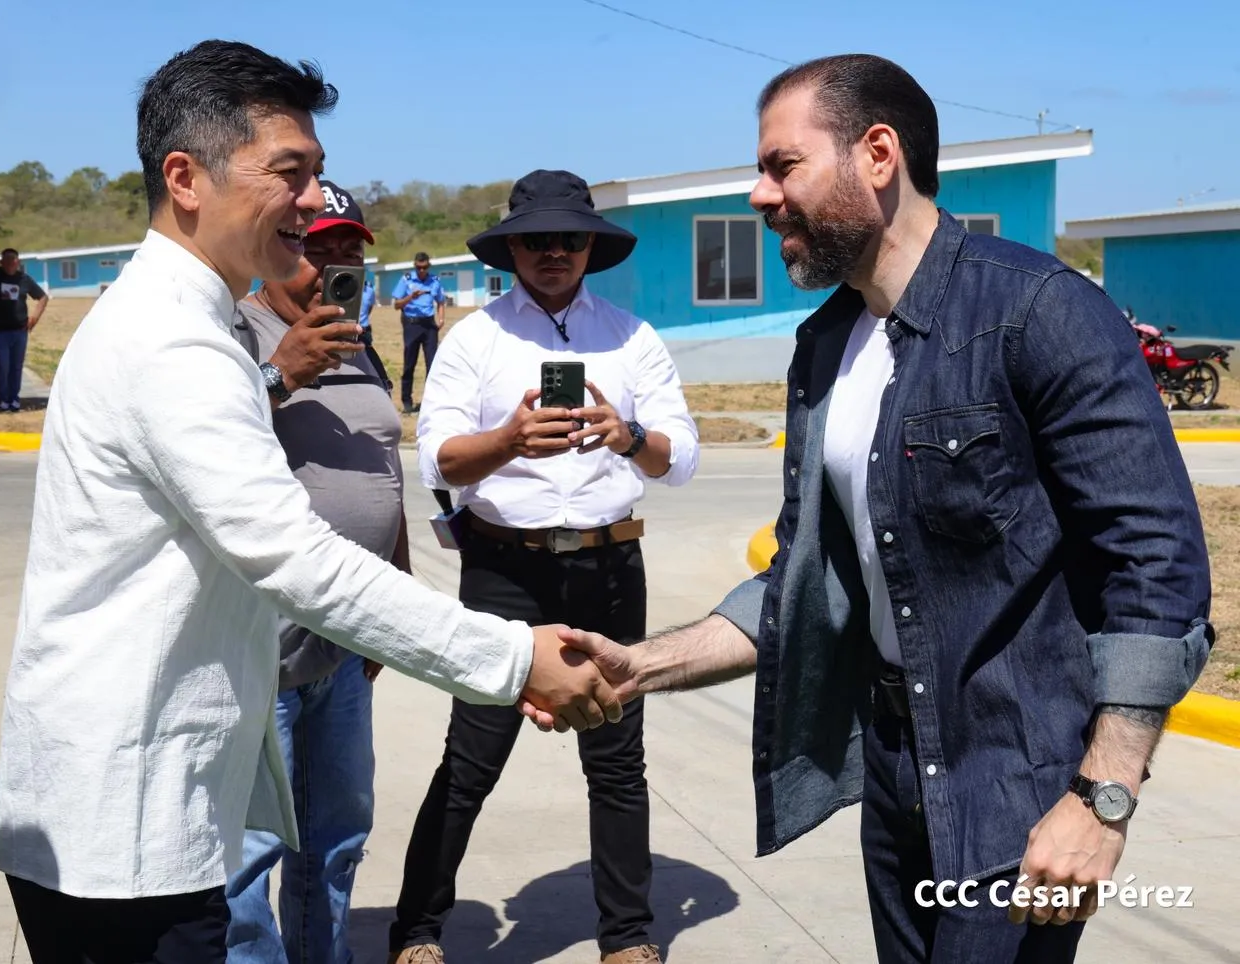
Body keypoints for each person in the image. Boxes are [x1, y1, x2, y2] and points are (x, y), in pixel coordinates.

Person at [528, 55, 1213, 964]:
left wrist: (1102, 799)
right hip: (895, 770)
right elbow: (807, 577)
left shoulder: (1042, 312)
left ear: (878, 154)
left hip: (1022, 784)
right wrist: (639, 667)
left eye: (783, 166)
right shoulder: (826, 347)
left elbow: (1158, 569)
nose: (759, 195)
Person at [0, 40, 620, 964]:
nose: (313, 200)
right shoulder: (174, 343)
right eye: (289, 173)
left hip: (140, 806)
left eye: (317, 174)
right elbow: (293, 555)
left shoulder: (183, 320)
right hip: (126, 831)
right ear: (186, 178)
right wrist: (512, 656)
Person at [389, 169, 700, 964]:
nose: (554, 251)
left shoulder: (632, 337)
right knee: (471, 758)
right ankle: (416, 931)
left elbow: (682, 458)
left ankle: (627, 937)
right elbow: (437, 458)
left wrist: (627, 435)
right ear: (512, 248)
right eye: (536, 239)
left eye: (569, 238)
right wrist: (509, 441)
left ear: (591, 245)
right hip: (506, 570)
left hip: (608, 565)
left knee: (617, 759)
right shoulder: (477, 339)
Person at [225, 179, 401, 963]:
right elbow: (204, 445)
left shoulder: (358, 342)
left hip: (345, 641)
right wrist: (279, 372)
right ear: (275, 248)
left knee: (337, 837)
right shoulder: (236, 333)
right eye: (314, 249)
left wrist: (391, 602)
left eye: (348, 252)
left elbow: (381, 470)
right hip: (263, 648)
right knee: (250, 852)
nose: (333, 267)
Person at [0, 247, 48, 412]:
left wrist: (34, 318)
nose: (10, 262)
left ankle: (14, 398)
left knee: (16, 366)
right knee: (2, 365)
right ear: (1, 262)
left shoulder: (24, 279)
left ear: (18, 262)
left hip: (19, 331)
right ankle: (2, 399)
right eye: (6, 259)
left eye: (13, 259)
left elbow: (42, 297)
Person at [392, 251, 445, 413]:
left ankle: (431, 402)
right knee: (409, 363)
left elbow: (441, 301)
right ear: (415, 266)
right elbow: (396, 305)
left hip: (429, 325)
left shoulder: (434, 281)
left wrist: (441, 319)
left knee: (432, 364)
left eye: (425, 267)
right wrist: (411, 297)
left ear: (428, 266)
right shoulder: (406, 280)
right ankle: (407, 401)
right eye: (419, 268)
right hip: (412, 324)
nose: (422, 271)